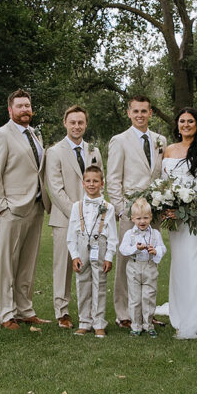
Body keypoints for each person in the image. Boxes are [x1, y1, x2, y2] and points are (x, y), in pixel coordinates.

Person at [0, 89, 52, 329]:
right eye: (20, 106)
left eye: (27, 105)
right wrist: (2, 208)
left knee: (27, 263)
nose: (25, 110)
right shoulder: (0, 135)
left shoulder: (34, 134)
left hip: (35, 205)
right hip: (12, 209)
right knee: (7, 264)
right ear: (10, 110)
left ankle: (25, 309)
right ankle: (6, 313)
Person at [106, 95, 166, 328]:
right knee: (126, 263)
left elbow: (160, 175)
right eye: (136, 111)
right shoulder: (119, 140)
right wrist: (122, 211)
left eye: (145, 111)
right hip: (130, 213)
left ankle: (146, 314)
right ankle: (124, 313)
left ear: (151, 113)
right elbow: (113, 179)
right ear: (129, 113)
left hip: (153, 213)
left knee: (150, 262)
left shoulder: (160, 140)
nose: (140, 115)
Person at [163, 107, 197, 339]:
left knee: (196, 264)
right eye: (182, 121)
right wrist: (167, 206)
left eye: (190, 121)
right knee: (179, 264)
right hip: (176, 222)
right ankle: (180, 316)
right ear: (177, 125)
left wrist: (189, 210)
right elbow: (163, 184)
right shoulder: (168, 150)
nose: (186, 125)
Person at [45, 105, 103, 329]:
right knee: (63, 266)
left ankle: (89, 310)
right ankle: (62, 311)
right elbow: (55, 188)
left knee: (90, 264)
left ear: (85, 124)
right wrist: (77, 216)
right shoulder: (55, 152)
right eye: (73, 122)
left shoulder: (94, 151)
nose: (77, 126)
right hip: (64, 218)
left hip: (92, 221)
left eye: (81, 122)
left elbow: (99, 183)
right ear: (65, 123)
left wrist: (95, 213)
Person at [66, 165, 117, 337]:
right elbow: (71, 235)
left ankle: (99, 323)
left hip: (99, 247)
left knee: (100, 284)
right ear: (83, 183)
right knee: (82, 284)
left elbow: (113, 237)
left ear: (102, 184)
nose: (91, 184)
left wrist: (109, 256)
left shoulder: (108, 207)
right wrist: (74, 256)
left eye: (95, 181)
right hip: (81, 248)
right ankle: (84, 321)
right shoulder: (76, 206)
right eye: (88, 181)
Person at [117, 198, 166, 338]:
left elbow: (163, 248)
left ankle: (148, 324)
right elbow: (123, 249)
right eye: (138, 218)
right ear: (132, 218)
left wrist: (155, 251)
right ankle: (136, 325)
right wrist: (135, 249)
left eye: (145, 218)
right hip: (134, 267)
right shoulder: (129, 234)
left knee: (148, 296)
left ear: (150, 217)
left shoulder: (155, 234)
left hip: (150, 267)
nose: (142, 221)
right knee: (135, 298)